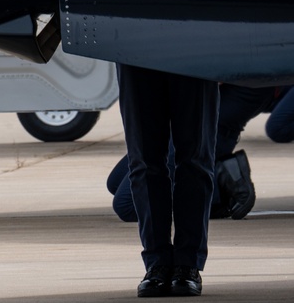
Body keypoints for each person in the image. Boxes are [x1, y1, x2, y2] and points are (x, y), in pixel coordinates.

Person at [107, 84, 287, 222]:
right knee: (115, 183)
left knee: (128, 206)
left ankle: (224, 186)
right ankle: (212, 175)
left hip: (201, 131)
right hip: (186, 123)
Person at [117, 63, 218, 298]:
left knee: (195, 159)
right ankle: (156, 261)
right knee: (143, 159)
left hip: (195, 44)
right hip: (132, 43)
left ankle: (188, 263)